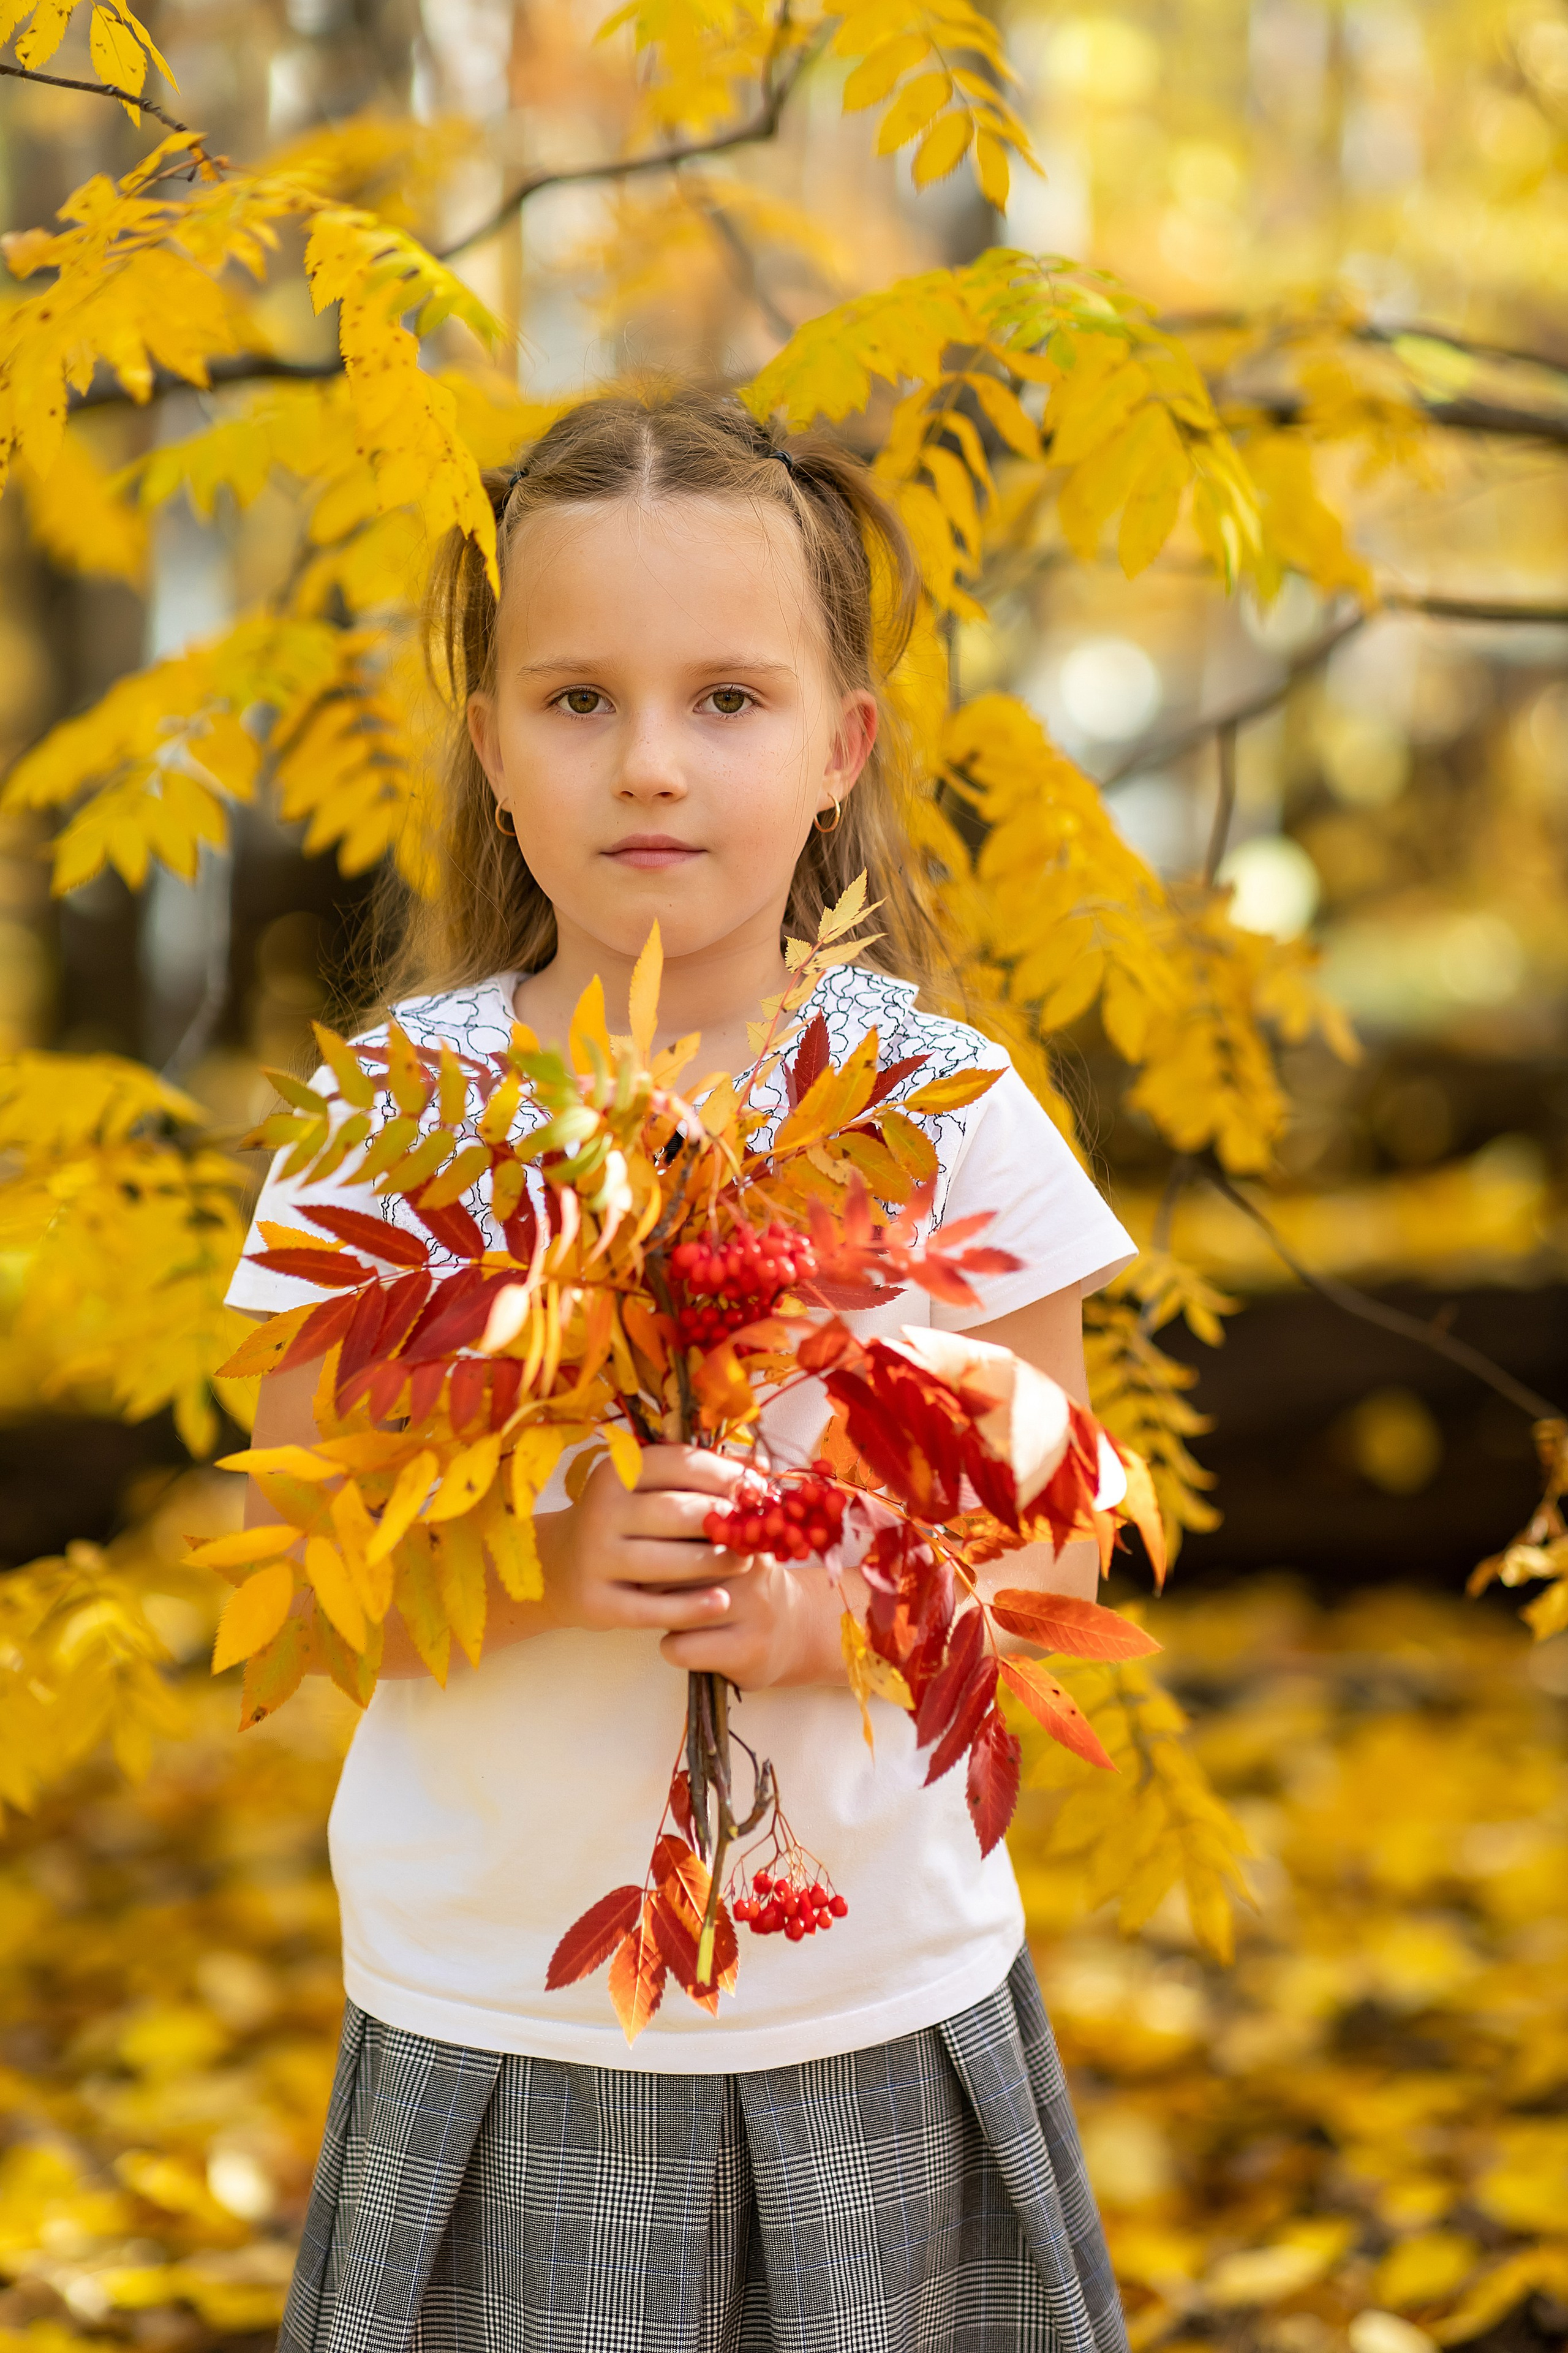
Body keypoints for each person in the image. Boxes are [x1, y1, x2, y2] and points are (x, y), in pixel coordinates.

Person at [230, 391, 1137, 2353]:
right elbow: (287, 1564)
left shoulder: (942, 1108)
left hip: (873, 2014)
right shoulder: (394, 1119)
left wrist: (846, 1612)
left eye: (728, 697)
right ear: (490, 743)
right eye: (576, 701)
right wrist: (545, 1566)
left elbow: (1056, 1563)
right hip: (504, 2023)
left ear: (843, 746)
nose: (650, 763)